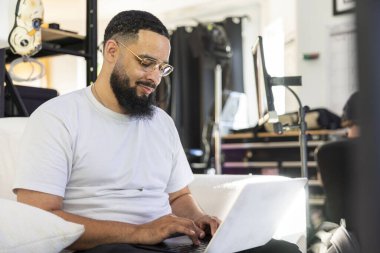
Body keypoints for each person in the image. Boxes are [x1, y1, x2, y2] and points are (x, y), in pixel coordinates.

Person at [13, 10, 300, 253]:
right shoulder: (57, 118)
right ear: (111, 51)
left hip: (166, 243)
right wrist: (138, 232)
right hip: (107, 247)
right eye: (146, 63)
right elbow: (40, 218)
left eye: (162, 68)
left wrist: (199, 220)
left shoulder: (161, 122)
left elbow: (178, 197)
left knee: (282, 249)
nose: (154, 77)